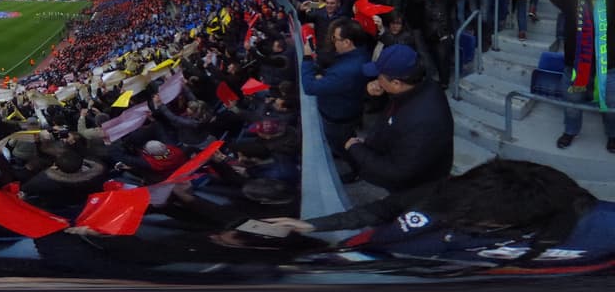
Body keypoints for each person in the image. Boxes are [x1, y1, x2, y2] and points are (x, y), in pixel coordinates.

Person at [263, 160, 615, 273]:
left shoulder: (598, 230)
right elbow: (381, 210)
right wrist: (313, 225)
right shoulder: (448, 192)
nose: (455, 218)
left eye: (472, 222)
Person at [346, 45, 453, 192]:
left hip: (414, 189)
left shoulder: (421, 122)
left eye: (379, 75)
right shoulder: (422, 87)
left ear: (396, 83)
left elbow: (397, 170)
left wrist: (356, 149)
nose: (376, 79)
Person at [545, 0, 615, 152]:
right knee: (572, 105)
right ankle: (571, 131)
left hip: (608, 67)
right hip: (575, 66)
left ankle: (612, 135)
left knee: (611, 107)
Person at [301, 18, 372, 155]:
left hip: (338, 118)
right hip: (350, 107)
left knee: (342, 146)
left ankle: (350, 164)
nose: (333, 41)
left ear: (347, 42)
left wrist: (307, 59)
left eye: (335, 38)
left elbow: (309, 87)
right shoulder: (361, 52)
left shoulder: (346, 72)